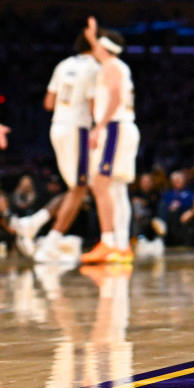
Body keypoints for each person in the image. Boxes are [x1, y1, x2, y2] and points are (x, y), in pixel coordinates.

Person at [16, 28, 99, 263]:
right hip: (78, 128)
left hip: (58, 127)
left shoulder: (63, 65)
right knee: (81, 188)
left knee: (77, 188)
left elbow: (48, 102)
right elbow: (94, 107)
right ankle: (49, 240)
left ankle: (34, 223)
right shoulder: (93, 67)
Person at [80, 23, 139, 265]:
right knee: (116, 189)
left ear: (105, 48)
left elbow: (114, 98)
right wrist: (93, 37)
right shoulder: (117, 65)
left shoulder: (112, 67)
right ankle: (121, 245)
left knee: (101, 183)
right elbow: (100, 50)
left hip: (114, 128)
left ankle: (109, 241)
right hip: (122, 127)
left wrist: (99, 126)